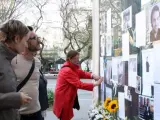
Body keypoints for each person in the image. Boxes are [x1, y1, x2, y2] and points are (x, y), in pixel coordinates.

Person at [53, 50, 103, 120]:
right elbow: (79, 84)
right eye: (75, 58)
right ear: (69, 59)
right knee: (65, 117)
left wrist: (93, 75)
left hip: (66, 96)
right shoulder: (67, 70)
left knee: (66, 116)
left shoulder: (71, 67)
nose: (77, 60)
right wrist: (95, 84)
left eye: (78, 58)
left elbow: (82, 73)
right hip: (63, 98)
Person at [0, 20, 32, 120]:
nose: (26, 45)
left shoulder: (7, 58)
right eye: (25, 41)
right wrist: (16, 98)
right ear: (17, 38)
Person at [11, 26, 42, 120]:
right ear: (25, 41)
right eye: (34, 38)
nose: (39, 40)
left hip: (37, 113)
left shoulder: (37, 62)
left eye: (38, 37)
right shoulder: (13, 60)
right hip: (18, 115)